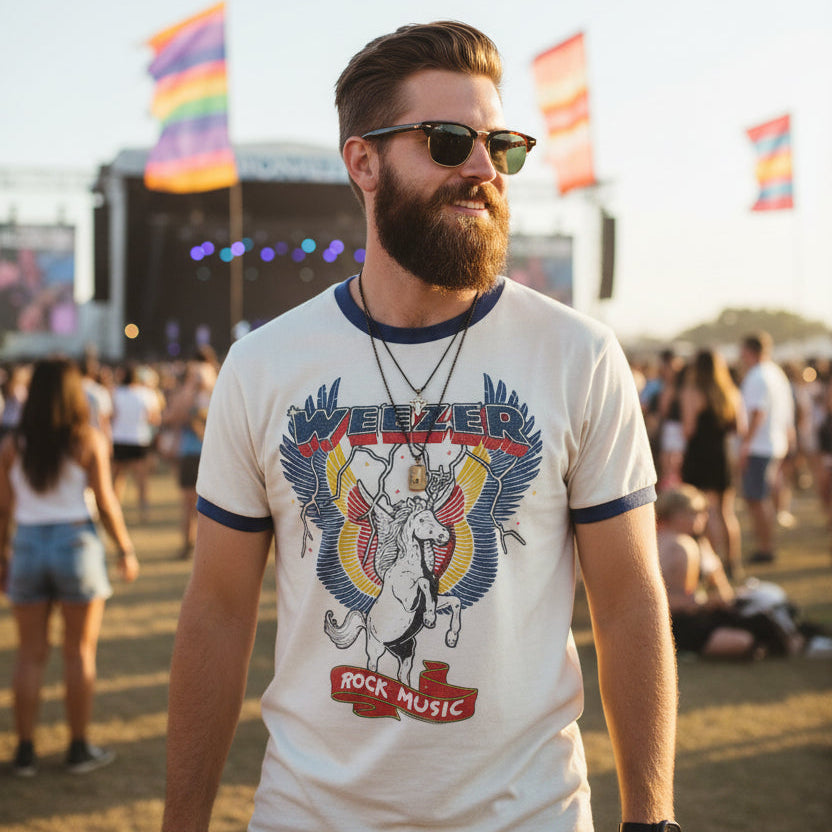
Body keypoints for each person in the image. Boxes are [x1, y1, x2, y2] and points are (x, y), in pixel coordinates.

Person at [163, 21, 678, 832]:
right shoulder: (264, 366)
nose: (483, 169)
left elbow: (629, 603)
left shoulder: (578, 355)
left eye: (500, 146)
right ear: (363, 162)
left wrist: (652, 817)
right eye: (447, 142)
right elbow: (218, 612)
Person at [0, 358, 139, 776]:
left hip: (27, 545)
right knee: (79, 652)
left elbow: (3, 509)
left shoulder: (13, 444)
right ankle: (78, 748)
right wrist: (125, 548)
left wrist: (3, 554)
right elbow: (106, 502)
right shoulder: (86, 439)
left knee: (30, 654)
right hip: (76, 543)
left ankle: (24, 752)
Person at [657, 485, 831, 659]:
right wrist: (707, 602)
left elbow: (719, 584)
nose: (702, 518)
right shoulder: (679, 547)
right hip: (679, 624)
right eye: (693, 513)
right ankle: (799, 642)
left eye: (702, 513)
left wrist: (723, 598)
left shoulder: (693, 542)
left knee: (761, 610)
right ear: (674, 515)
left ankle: (801, 640)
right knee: (751, 633)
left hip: (687, 618)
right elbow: (671, 602)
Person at [680, 348, 746, 578]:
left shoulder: (692, 392)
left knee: (708, 512)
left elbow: (688, 430)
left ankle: (713, 563)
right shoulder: (730, 392)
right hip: (722, 454)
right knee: (726, 512)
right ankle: (732, 561)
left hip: (700, 455)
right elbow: (740, 428)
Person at [738, 332, 796, 564]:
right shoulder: (775, 372)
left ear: (749, 351)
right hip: (773, 443)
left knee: (757, 498)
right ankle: (766, 545)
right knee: (761, 497)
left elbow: (757, 413)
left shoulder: (758, 375)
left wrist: (745, 445)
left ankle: (765, 547)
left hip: (760, 446)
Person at [161, 353, 217, 558]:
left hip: (212, 454)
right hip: (191, 452)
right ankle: (188, 543)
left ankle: (208, 547)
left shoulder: (218, 391)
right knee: (188, 502)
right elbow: (173, 417)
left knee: (213, 504)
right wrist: (190, 389)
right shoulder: (186, 393)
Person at [110, 362, 162, 522]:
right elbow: (154, 418)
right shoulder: (147, 394)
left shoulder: (115, 393)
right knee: (141, 480)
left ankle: (114, 510)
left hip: (118, 439)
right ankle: (143, 511)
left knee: (117, 479)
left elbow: (112, 415)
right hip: (139, 439)